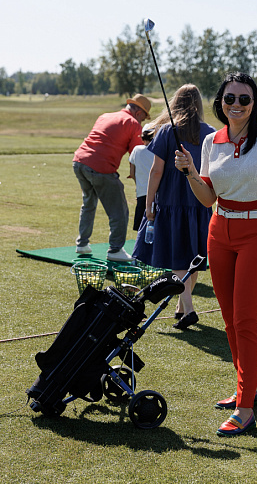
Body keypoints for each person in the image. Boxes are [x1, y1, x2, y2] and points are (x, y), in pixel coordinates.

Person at [174, 72, 257, 437]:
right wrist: (190, 174)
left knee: (246, 319)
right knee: (229, 319)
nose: (236, 105)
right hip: (220, 230)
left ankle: (245, 408)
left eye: (244, 99)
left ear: (254, 102)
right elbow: (208, 198)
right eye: (230, 99)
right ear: (220, 102)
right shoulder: (212, 141)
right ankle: (247, 388)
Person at [132, 84, 215, 329]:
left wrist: (148, 204)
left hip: (171, 203)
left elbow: (156, 171)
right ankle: (181, 306)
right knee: (193, 255)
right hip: (199, 203)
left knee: (179, 256)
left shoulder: (167, 131)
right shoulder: (209, 132)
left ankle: (188, 307)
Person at [73, 94, 151, 262]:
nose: (142, 123)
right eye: (143, 118)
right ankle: (115, 250)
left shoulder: (105, 115)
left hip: (79, 162)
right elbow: (136, 155)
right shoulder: (133, 123)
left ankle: (82, 244)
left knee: (89, 203)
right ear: (138, 113)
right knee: (119, 210)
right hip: (100, 168)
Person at [128, 124, 155, 231]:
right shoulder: (159, 151)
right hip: (157, 194)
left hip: (142, 193)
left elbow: (132, 172)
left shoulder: (137, 150)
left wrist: (138, 186)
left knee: (141, 227)